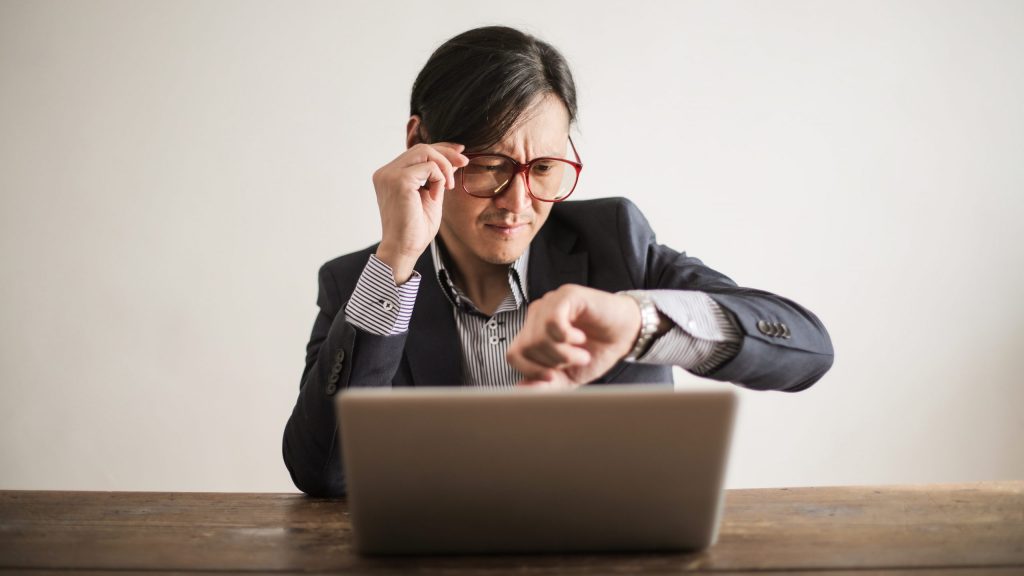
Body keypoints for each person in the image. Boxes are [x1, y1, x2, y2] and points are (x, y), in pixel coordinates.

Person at [283, 26, 834, 497]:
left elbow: (806, 349)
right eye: (489, 165)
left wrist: (639, 325)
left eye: (544, 167)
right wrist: (397, 262)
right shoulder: (359, 283)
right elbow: (324, 472)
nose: (517, 204)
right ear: (420, 146)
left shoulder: (614, 241)